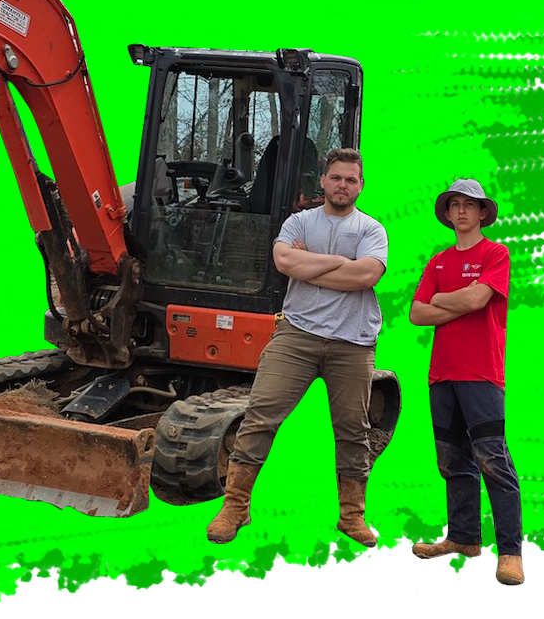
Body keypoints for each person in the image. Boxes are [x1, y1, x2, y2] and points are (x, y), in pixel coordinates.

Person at [208, 148, 387, 545]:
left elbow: (367, 274)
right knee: (260, 416)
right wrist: (340, 263)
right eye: (336, 177)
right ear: (322, 181)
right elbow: (284, 262)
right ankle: (235, 507)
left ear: (360, 186)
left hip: (352, 342)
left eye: (351, 180)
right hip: (298, 334)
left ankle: (352, 517)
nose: (343, 185)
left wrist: (313, 264)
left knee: (352, 430)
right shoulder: (299, 221)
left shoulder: (372, 230)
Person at [409, 179, 524, 587]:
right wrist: (459, 298)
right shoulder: (437, 260)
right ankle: (462, 538)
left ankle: (511, 552)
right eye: (454, 205)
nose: (461, 212)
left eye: (469, 205)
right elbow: (417, 314)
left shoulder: (496, 253)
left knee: (492, 460)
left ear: (481, 214)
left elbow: (478, 301)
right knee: (452, 461)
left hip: (481, 372)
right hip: (441, 373)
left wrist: (442, 300)